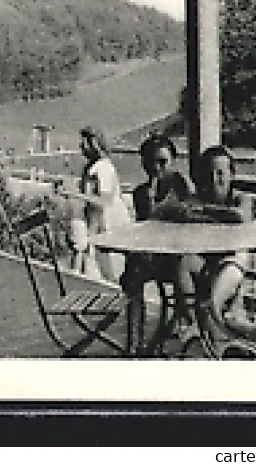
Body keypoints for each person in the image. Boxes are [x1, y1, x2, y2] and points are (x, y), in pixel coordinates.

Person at [120, 135, 195, 355]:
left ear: (174, 161)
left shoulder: (181, 187)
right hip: (157, 259)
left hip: (180, 259)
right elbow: (147, 229)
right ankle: (135, 342)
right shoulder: (140, 194)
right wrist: (151, 198)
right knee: (133, 273)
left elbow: (191, 218)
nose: (156, 169)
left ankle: (174, 329)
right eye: (150, 163)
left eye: (163, 162)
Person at [185, 144, 256, 343]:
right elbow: (183, 213)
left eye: (220, 173)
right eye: (209, 174)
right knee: (182, 262)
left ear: (232, 175)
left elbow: (241, 216)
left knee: (211, 302)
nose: (214, 179)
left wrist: (204, 210)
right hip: (207, 260)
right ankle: (195, 324)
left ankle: (209, 336)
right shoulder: (199, 199)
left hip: (233, 260)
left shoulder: (242, 199)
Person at [63, 126, 131, 281]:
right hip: (96, 222)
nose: (81, 146)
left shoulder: (104, 168)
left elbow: (104, 201)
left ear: (94, 144)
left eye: (85, 142)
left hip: (109, 222)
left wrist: (71, 194)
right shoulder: (92, 167)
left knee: (108, 270)